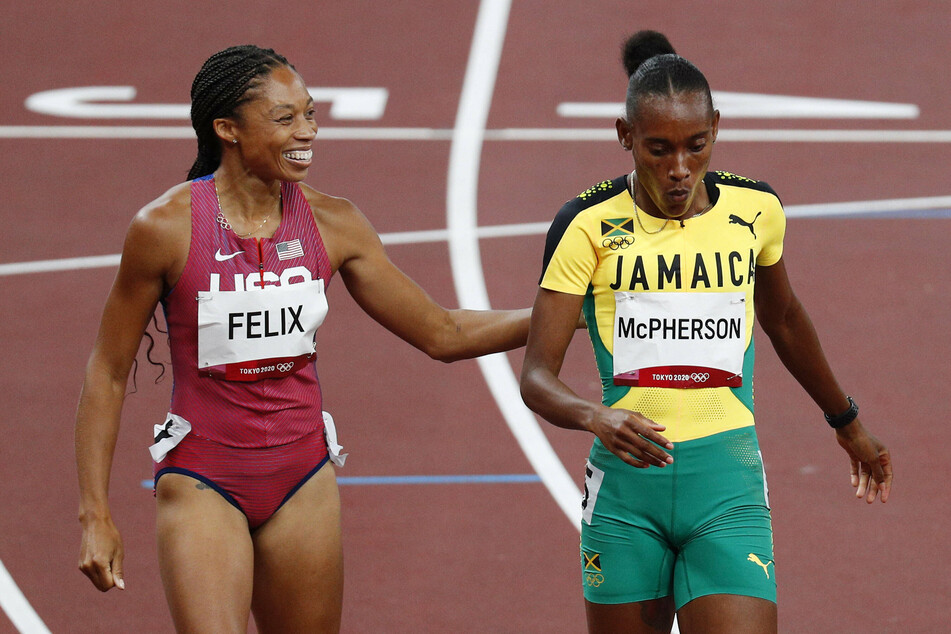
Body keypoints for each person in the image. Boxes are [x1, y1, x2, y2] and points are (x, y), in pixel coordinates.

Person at [75, 45, 536, 633]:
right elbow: (108, 371)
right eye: (285, 118)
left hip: (302, 482)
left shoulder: (333, 222)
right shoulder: (164, 229)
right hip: (203, 479)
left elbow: (442, 332)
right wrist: (95, 513)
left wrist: (567, 311)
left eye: (311, 114)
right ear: (228, 129)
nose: (308, 133)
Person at [519, 31, 892, 634]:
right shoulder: (584, 225)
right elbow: (536, 376)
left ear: (716, 128)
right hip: (625, 496)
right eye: (657, 150)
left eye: (696, 146)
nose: (679, 170)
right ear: (624, 137)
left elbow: (785, 318)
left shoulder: (755, 212)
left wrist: (846, 421)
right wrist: (595, 416)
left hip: (727, 485)